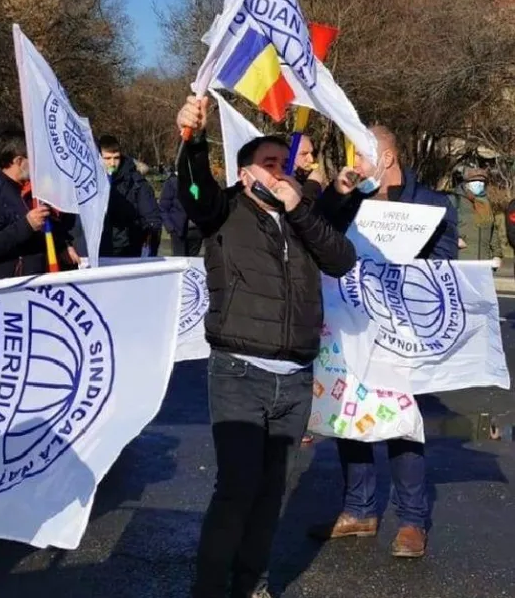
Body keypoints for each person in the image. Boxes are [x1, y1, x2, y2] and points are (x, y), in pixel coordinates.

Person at [175, 96, 356, 598]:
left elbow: (340, 259)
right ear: (244, 172)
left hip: (295, 379)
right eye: (268, 165)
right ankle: (209, 589)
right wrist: (190, 140)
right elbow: (192, 191)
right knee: (236, 491)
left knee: (272, 493)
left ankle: (248, 584)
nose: (279, 174)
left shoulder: (301, 216)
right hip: (238, 375)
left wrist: (301, 207)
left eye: (285, 165)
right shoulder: (223, 211)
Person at [310, 125, 458, 559]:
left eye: (360, 157)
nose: (353, 164)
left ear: (387, 158)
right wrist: (335, 196)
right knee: (352, 413)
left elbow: (444, 263)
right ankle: (358, 509)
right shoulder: (349, 200)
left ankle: (412, 520)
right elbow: (317, 233)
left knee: (401, 422)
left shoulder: (431, 203)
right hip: (351, 324)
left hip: (401, 330)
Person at [0, 129, 80, 279]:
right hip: (12, 285)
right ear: (19, 161)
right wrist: (26, 225)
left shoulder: (32, 188)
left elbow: (44, 227)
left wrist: (61, 245)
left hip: (41, 280)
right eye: (33, 159)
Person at [98, 135, 162, 257]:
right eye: (107, 158)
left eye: (116, 158)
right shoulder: (91, 180)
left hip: (127, 248)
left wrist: (150, 232)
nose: (112, 163)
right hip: (97, 247)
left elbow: (151, 215)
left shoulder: (136, 181)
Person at [450, 166, 503, 269]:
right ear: (466, 184)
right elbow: (443, 225)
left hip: (483, 262)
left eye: (482, 182)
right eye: (475, 181)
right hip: (461, 260)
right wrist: (454, 238)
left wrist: (497, 254)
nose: (479, 184)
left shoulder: (485, 203)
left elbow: (493, 231)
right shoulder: (454, 200)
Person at [159, 170, 201, 256]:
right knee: (180, 261)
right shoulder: (171, 183)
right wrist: (171, 228)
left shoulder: (198, 181)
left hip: (197, 231)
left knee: (194, 262)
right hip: (178, 230)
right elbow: (163, 207)